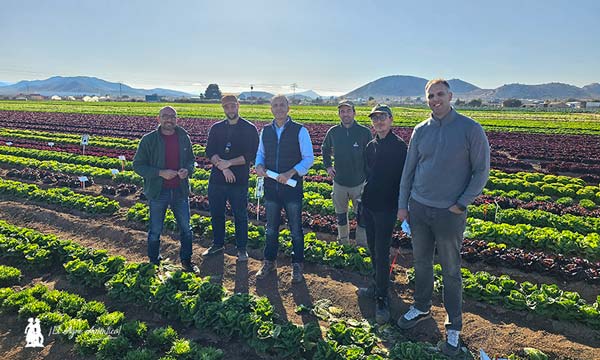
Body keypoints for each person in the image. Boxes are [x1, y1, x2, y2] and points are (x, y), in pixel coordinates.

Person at [396, 79, 490, 356]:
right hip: (419, 208)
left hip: (449, 213)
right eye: (430, 95)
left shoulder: (470, 129)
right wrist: (404, 205)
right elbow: (408, 170)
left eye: (440, 94)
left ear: (450, 96)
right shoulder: (420, 130)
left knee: (451, 269)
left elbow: (481, 171)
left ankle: (454, 325)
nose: (435, 99)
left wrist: (461, 204)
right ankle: (422, 307)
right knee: (421, 262)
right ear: (426, 99)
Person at [356, 104, 407, 325]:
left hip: (387, 207)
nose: (378, 122)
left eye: (382, 117)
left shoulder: (399, 147)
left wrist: (402, 206)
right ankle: (377, 284)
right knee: (372, 247)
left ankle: (382, 299)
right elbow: (369, 173)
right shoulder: (370, 145)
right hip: (369, 204)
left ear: (391, 120)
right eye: (375, 119)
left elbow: (405, 178)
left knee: (382, 252)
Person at [254, 95, 314, 283]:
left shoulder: (300, 130)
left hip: (291, 188)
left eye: (282, 105)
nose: (278, 108)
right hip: (271, 188)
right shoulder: (265, 131)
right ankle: (269, 261)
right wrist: (259, 166)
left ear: (288, 108)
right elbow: (260, 154)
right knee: (271, 228)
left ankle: (297, 265)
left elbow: (308, 158)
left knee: (295, 228)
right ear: (271, 109)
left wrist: (290, 173)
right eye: (275, 105)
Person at [133, 106, 198, 273]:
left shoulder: (184, 138)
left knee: (186, 228)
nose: (169, 119)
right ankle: (154, 261)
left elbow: (191, 160)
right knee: (155, 229)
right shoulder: (148, 140)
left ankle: (186, 260)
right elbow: (138, 166)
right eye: (165, 116)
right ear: (159, 119)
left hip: (180, 190)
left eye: (172, 116)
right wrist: (160, 173)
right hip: (158, 191)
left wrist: (187, 170)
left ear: (177, 119)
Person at [203, 95, 259, 261]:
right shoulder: (216, 128)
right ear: (223, 108)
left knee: (240, 215)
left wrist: (229, 163)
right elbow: (210, 151)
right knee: (216, 213)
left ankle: (241, 249)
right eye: (226, 107)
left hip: (239, 181)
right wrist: (223, 167)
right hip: (217, 180)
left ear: (238, 106)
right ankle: (217, 244)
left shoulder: (249, 128)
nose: (230, 110)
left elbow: (251, 155)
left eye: (233, 106)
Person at [321, 100, 372, 246]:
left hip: (359, 183)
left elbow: (371, 154)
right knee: (341, 215)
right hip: (339, 182)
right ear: (339, 114)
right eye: (342, 111)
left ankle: (362, 245)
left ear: (354, 113)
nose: (345, 114)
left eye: (348, 111)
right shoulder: (333, 132)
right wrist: (328, 167)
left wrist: (368, 176)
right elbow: (325, 149)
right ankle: (343, 242)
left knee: (361, 216)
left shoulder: (364, 132)